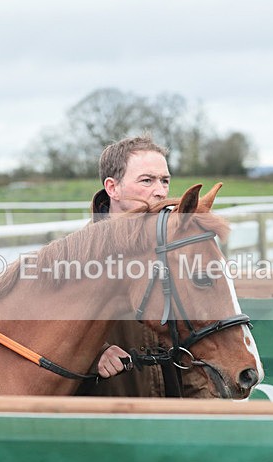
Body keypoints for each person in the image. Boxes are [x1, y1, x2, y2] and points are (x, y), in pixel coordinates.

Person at [81, 135, 212, 398]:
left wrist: (204, 405)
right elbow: (39, 331)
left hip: (172, 419)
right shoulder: (76, 256)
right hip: (106, 417)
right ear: (112, 188)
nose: (161, 191)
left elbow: (194, 342)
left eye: (165, 180)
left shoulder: (173, 251)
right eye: (147, 180)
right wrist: (94, 352)